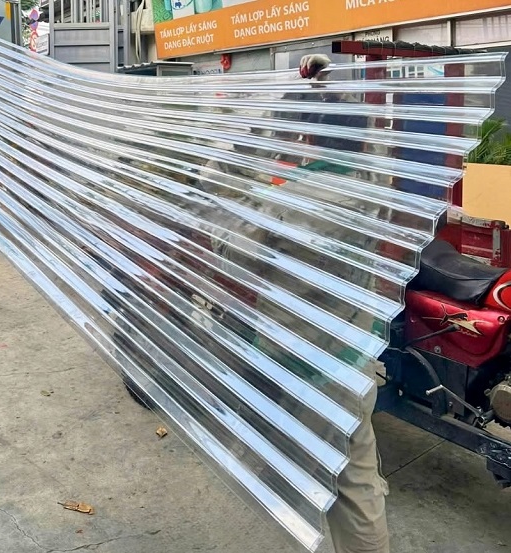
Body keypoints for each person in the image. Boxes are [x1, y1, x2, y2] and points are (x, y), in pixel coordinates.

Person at [197, 54, 390, 553]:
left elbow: (220, 217)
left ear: (307, 137)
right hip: (354, 359)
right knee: (358, 483)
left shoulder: (287, 205)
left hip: (300, 373)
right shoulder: (372, 186)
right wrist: (327, 88)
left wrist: (262, 125)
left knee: (301, 490)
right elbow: (364, 139)